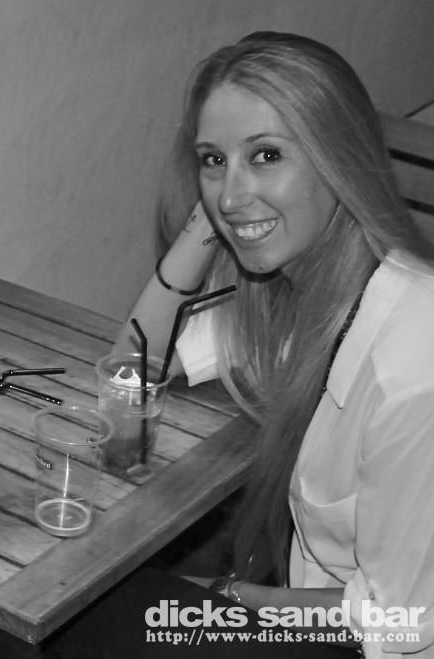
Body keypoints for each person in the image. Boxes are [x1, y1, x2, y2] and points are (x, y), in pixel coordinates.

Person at [48, 31, 434, 659]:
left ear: (339, 158)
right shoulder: (290, 290)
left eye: (266, 155)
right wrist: (214, 220)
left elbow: (402, 622)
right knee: (66, 604)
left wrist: (233, 598)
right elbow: (135, 370)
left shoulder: (414, 369)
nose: (230, 192)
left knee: (70, 618)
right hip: (309, 605)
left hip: (369, 641)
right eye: (212, 159)